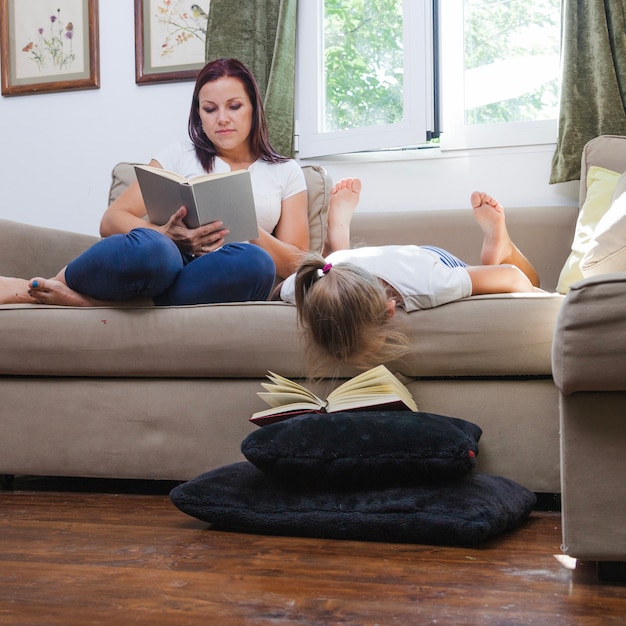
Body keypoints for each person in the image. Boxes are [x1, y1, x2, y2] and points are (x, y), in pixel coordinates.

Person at [0, 58, 309, 307]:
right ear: (198, 115)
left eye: (234, 106)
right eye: (210, 109)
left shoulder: (285, 172)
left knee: (256, 264)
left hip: (219, 272)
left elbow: (298, 264)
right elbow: (110, 221)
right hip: (166, 262)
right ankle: (60, 282)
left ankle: (93, 302)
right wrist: (166, 234)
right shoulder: (178, 155)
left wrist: (245, 227)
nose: (222, 119)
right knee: (155, 250)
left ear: (254, 108)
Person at [277, 180, 543, 369]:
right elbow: (277, 292)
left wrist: (522, 286)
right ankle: (338, 239)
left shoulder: (430, 284)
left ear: (391, 309)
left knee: (533, 281)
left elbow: (512, 276)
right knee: (336, 267)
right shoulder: (309, 283)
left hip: (430, 258)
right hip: (345, 264)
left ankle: (501, 246)